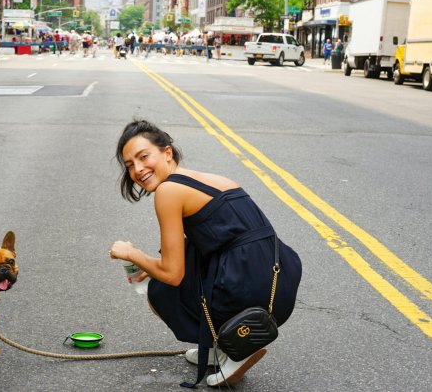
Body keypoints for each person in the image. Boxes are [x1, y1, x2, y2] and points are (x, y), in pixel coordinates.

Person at [110, 120, 302, 388]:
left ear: (167, 153)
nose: (138, 169)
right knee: (181, 261)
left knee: (159, 290)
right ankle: (221, 346)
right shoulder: (207, 179)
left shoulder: (168, 191)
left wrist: (132, 254)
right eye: (130, 165)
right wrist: (151, 263)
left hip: (251, 289)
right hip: (277, 282)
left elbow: (173, 274)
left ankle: (238, 345)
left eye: (143, 157)